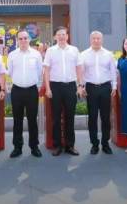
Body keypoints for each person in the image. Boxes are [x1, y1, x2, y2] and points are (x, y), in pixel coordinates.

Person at [43, 26, 81, 156]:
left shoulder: (74, 50)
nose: (61, 37)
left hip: (71, 86)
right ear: (55, 37)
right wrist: (48, 88)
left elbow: (79, 68)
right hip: (55, 87)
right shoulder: (50, 51)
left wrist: (80, 86)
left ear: (67, 36)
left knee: (70, 117)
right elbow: (46, 70)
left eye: (63, 34)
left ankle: (70, 145)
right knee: (56, 118)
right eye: (59, 34)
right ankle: (57, 145)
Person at [79, 31, 116, 155]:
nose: (96, 40)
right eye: (94, 38)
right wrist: (82, 86)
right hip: (91, 88)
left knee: (106, 117)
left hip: (105, 87)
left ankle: (105, 143)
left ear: (102, 39)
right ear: (90, 40)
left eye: (98, 38)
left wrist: (114, 86)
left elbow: (113, 71)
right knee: (92, 117)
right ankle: (94, 144)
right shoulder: (84, 54)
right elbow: (81, 73)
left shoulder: (108, 54)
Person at [7, 30, 43, 158]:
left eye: (25, 38)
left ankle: (34, 147)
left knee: (32, 120)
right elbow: (10, 72)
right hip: (17, 90)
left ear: (29, 39)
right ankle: (17, 147)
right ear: (17, 40)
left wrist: (36, 85)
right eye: (20, 38)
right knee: (17, 120)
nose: (23, 40)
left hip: (32, 90)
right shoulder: (12, 55)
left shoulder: (36, 54)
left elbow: (39, 72)